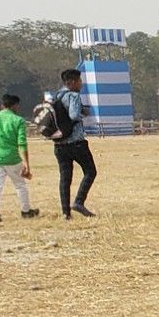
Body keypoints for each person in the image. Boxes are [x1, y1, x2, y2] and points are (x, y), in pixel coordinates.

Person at [48, 68, 97, 219]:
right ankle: (79, 202)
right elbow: (74, 115)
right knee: (90, 171)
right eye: (80, 81)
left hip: (59, 144)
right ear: (73, 82)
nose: (81, 84)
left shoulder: (56, 96)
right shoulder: (73, 95)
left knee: (65, 178)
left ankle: (65, 213)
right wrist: (83, 113)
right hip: (76, 142)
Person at [0, 94, 36, 222]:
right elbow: (22, 143)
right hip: (13, 159)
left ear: (2, 105)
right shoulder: (19, 120)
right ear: (14, 106)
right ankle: (26, 211)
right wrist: (27, 164)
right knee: (20, 185)